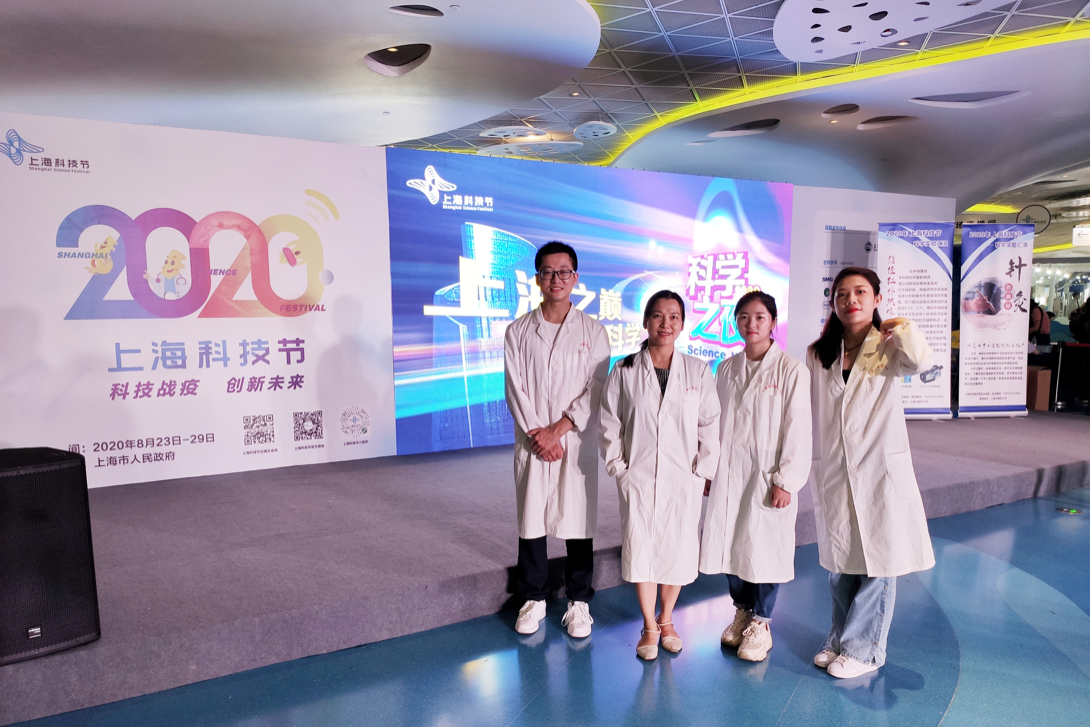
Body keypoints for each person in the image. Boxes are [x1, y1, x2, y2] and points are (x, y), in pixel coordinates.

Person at [807, 266, 936, 679]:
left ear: (877, 299)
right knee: (842, 563)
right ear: (833, 302)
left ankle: (865, 651)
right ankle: (840, 639)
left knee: (879, 561)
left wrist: (902, 328)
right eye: (842, 294)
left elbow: (921, 361)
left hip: (880, 468)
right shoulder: (819, 353)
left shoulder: (889, 345)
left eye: (861, 292)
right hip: (836, 468)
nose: (851, 301)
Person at [599, 290, 721, 660]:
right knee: (642, 548)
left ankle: (666, 619)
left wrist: (701, 472)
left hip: (684, 477)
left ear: (682, 324)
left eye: (673, 317)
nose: (665, 323)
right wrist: (619, 469)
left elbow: (710, 424)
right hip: (638, 476)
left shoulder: (698, 370)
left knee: (677, 549)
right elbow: (609, 424)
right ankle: (648, 626)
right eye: (657, 315)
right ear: (645, 321)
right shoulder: (624, 370)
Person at [504, 241, 611, 638]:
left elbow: (596, 388)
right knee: (531, 518)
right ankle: (533, 597)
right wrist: (540, 434)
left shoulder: (594, 332)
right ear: (537, 279)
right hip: (534, 441)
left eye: (563, 272)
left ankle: (579, 601)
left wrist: (559, 429)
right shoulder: (518, 331)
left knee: (578, 519)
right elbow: (515, 389)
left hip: (573, 441)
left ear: (575, 278)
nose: (556, 279)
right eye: (548, 272)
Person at [699, 291, 812, 662]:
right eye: (744, 317)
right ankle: (743, 611)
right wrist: (709, 468)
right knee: (732, 542)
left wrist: (786, 480)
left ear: (773, 322)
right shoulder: (726, 368)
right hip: (729, 473)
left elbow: (798, 429)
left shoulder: (791, 371)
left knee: (763, 548)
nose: (751, 324)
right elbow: (713, 423)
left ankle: (762, 623)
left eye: (760, 317)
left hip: (767, 476)